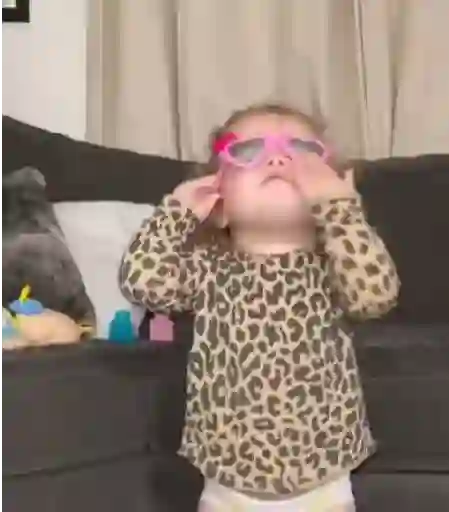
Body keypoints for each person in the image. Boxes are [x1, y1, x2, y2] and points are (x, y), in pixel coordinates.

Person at [119, 103, 400, 511]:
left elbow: (376, 294)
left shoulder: (334, 264)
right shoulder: (208, 267)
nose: (278, 158)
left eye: (302, 150)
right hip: (227, 480)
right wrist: (176, 213)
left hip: (323, 475)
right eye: (248, 150)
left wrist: (341, 211)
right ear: (218, 204)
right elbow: (142, 283)